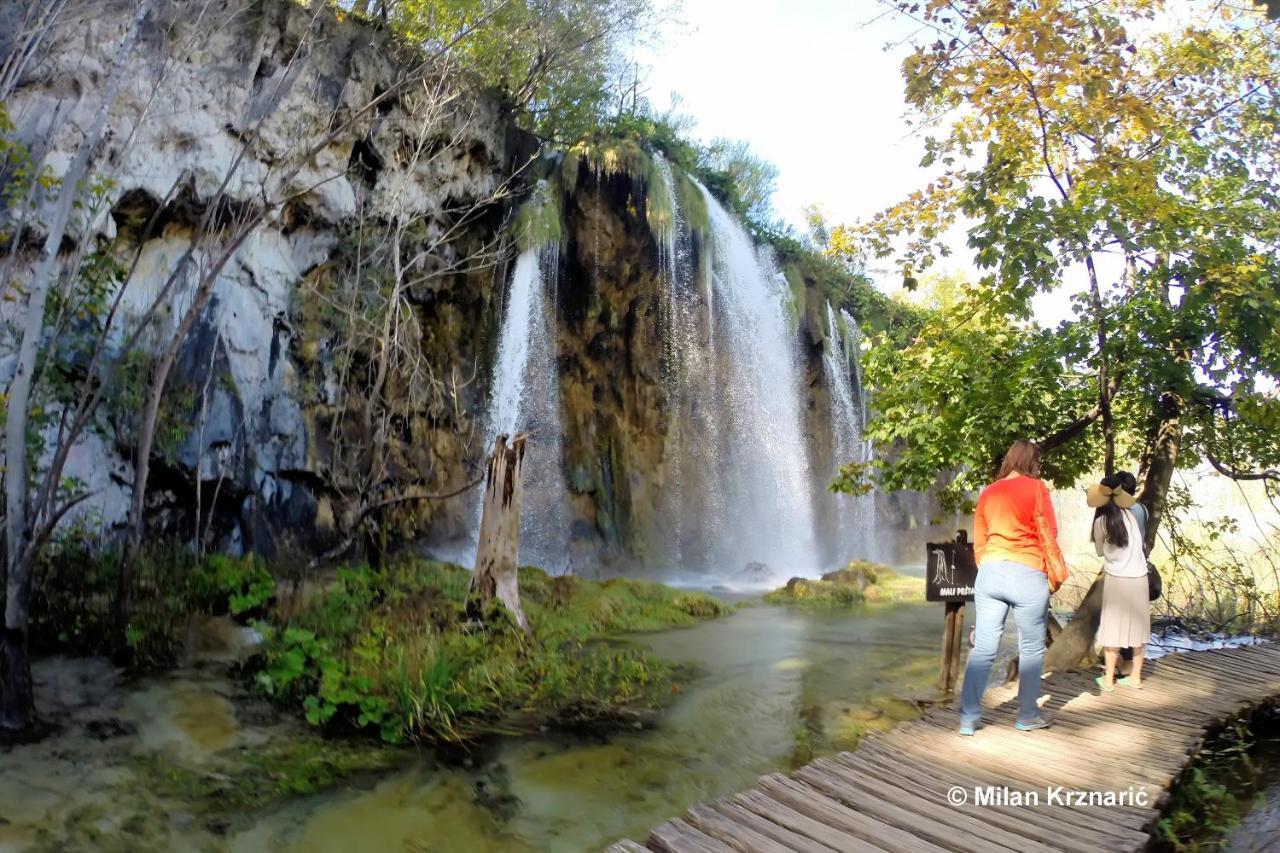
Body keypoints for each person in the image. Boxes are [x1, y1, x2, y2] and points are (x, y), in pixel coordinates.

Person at [958, 439, 1067, 735]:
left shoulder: (989, 491)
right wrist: (1052, 572)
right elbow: (1049, 532)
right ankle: (1027, 716)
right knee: (1031, 649)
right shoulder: (1037, 488)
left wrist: (989, 566)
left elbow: (979, 539)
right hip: (1027, 572)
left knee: (983, 648)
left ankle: (968, 719)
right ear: (1032, 462)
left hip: (991, 572)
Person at [1089, 473, 1150, 691]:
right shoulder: (1135, 516)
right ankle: (1135, 678)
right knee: (1138, 629)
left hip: (1116, 579)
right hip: (1139, 577)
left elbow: (1098, 551)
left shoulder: (1101, 522)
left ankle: (1107, 682)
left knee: (1112, 629)